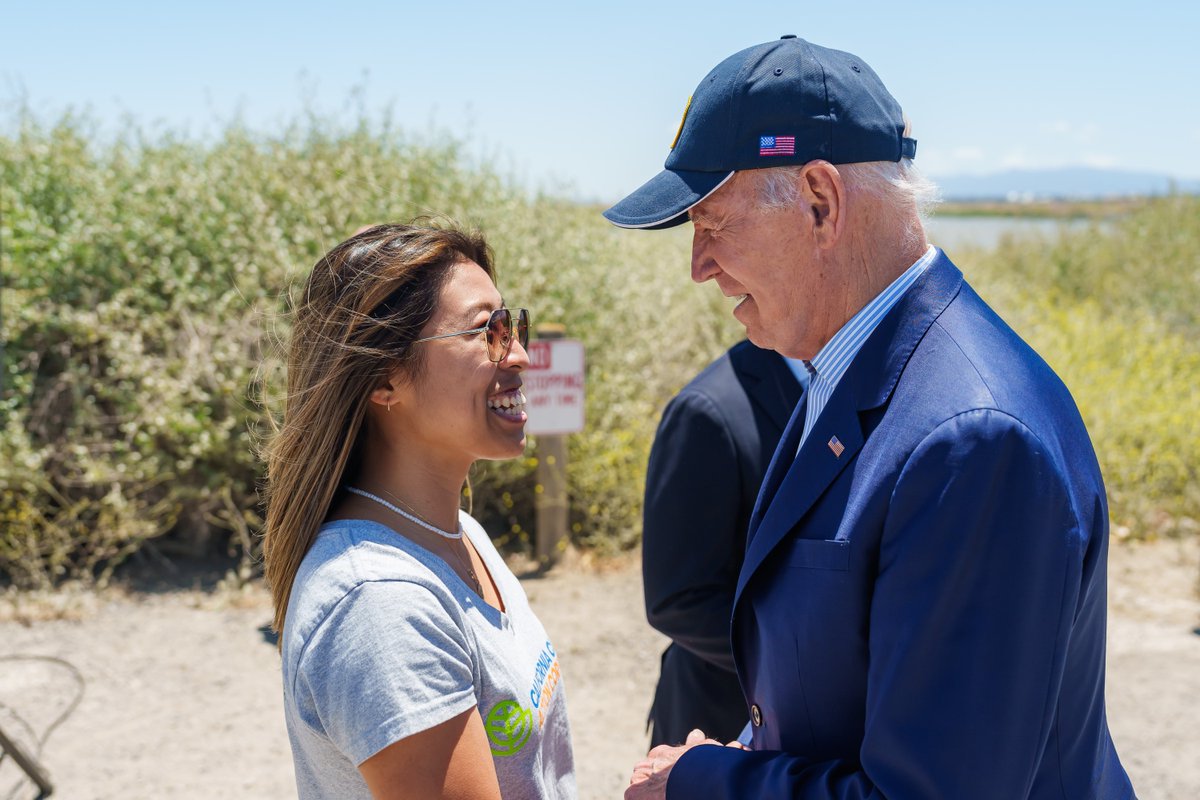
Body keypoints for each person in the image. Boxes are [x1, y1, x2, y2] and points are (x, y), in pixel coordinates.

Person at [604, 36, 1134, 799]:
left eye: (712, 223)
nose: (699, 265)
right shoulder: (858, 374)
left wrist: (707, 781)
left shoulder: (972, 437)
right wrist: (748, 749)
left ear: (821, 202)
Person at [261, 223, 576, 800]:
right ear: (385, 377)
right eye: (485, 332)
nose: (520, 355)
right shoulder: (380, 602)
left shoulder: (461, 534)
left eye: (512, 326)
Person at [642, 340, 804, 747]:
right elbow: (677, 599)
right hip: (719, 723)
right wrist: (807, 663)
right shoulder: (705, 412)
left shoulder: (845, 384)